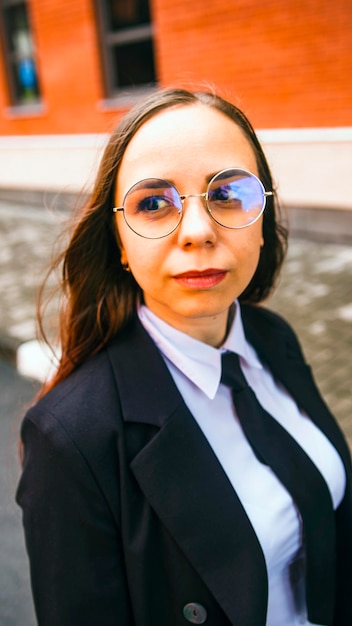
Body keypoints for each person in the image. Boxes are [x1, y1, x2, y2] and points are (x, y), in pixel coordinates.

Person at [16, 88, 351, 626]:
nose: (198, 232)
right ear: (119, 242)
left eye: (227, 194)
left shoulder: (272, 337)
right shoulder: (70, 439)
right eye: (153, 203)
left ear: (263, 216)